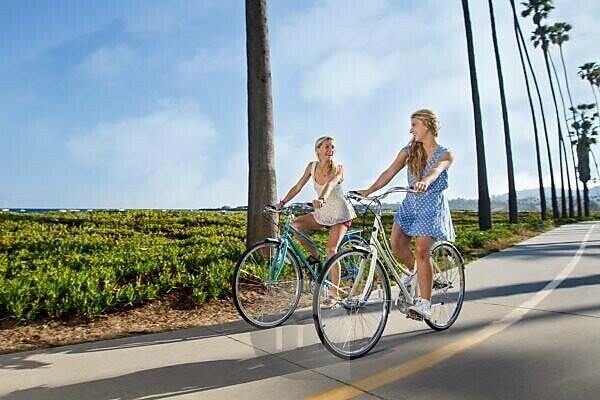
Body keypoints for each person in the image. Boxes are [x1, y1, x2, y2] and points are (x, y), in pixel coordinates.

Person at [358, 109, 455, 320]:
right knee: (397, 246)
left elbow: (437, 170)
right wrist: (368, 191)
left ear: (427, 125)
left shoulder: (445, 153)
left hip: (431, 205)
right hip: (410, 203)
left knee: (421, 250)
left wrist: (425, 181)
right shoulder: (409, 150)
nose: (410, 129)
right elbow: (389, 171)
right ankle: (415, 273)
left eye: (414, 124)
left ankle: (426, 304)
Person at [276, 136, 356, 303]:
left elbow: (331, 185)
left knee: (331, 250)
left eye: (332, 147)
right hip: (322, 213)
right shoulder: (311, 167)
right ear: (317, 150)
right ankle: (314, 255)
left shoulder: (339, 168)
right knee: (295, 225)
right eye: (326, 147)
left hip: (340, 214)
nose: (330, 150)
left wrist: (321, 199)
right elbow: (298, 186)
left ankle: (334, 294)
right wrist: (282, 202)